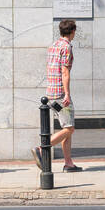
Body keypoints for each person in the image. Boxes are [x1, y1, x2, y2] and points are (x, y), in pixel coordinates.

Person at [35, 19, 79, 172]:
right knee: (70, 128)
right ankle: (41, 148)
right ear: (73, 31)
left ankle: (68, 162)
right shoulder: (66, 47)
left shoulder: (53, 46)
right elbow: (65, 72)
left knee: (66, 126)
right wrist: (67, 94)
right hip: (61, 94)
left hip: (51, 93)